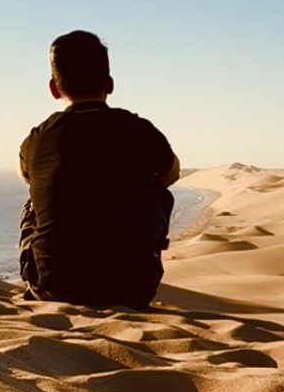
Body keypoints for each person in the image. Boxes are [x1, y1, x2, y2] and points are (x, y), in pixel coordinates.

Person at [18, 30, 180, 309]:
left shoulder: (35, 139)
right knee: (156, 191)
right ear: (110, 83)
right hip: (133, 290)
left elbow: (26, 178)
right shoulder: (139, 130)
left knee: (34, 202)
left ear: (53, 88)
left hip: (51, 289)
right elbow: (171, 174)